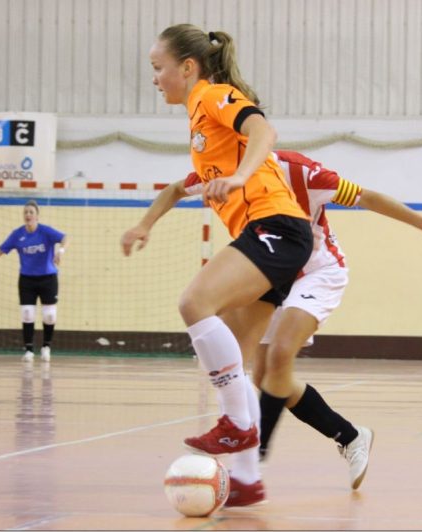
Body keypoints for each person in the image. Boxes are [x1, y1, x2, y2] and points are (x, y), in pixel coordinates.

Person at [124, 149, 422, 495]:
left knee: (280, 355)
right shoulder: (218, 171)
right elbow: (173, 190)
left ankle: (252, 465)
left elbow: (367, 197)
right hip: (267, 272)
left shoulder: (298, 170)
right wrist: (143, 224)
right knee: (263, 377)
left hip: (317, 271)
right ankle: (350, 436)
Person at [122, 23, 314, 507]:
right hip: (277, 237)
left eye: (158, 68)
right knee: (238, 358)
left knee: (194, 301)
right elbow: (174, 188)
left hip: (276, 226)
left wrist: (241, 175)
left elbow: (263, 130)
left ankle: (239, 425)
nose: (154, 79)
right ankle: (248, 480)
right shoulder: (201, 127)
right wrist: (144, 225)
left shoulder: (213, 96)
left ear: (187, 68)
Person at [0, 199, 68, 363]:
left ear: (37, 216)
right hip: (27, 280)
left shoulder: (45, 231)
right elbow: (0, 250)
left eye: (31, 212)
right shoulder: (17, 234)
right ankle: (29, 350)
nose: (28, 215)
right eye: (25, 212)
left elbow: (65, 237)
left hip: (48, 278)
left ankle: (46, 347)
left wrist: (61, 251)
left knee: (49, 316)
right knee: (27, 314)